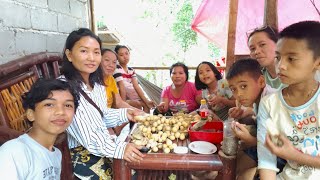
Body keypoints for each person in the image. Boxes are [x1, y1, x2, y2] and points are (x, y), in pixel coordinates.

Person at [60, 28, 144, 179]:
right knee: (130, 172)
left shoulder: (97, 85)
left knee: (142, 168)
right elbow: (89, 137)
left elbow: (101, 115)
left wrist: (126, 113)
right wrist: (120, 149)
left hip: (102, 144)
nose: (91, 58)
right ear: (69, 55)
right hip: (81, 153)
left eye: (96, 52)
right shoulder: (64, 89)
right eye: (84, 51)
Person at [257, 21, 320, 180]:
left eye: (291, 58)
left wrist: (295, 156)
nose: (281, 66)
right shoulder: (269, 104)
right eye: (278, 57)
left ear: (317, 62)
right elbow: (267, 163)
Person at [0, 78, 79, 179]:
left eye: (68, 105)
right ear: (31, 114)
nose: (61, 112)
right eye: (49, 104)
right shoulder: (15, 152)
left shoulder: (56, 154)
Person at [226, 59, 279, 180]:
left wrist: (251, 140)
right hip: (262, 146)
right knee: (231, 168)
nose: (238, 94)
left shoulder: (273, 101)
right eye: (233, 89)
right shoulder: (257, 100)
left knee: (240, 175)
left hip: (283, 156)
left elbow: (284, 143)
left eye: (243, 86)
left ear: (261, 81)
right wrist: (242, 114)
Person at [113, 45, 155, 113]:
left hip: (131, 96)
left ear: (129, 54)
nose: (125, 57)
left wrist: (146, 101)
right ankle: (135, 121)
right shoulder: (116, 69)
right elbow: (122, 87)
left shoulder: (131, 70)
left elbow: (136, 86)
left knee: (146, 105)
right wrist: (123, 104)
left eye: (126, 53)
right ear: (117, 57)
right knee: (137, 104)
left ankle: (143, 122)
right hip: (120, 98)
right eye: (121, 55)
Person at [247, 25, 285, 90]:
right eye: (252, 49)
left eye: (262, 44)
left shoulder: (295, 73)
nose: (257, 52)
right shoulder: (259, 77)